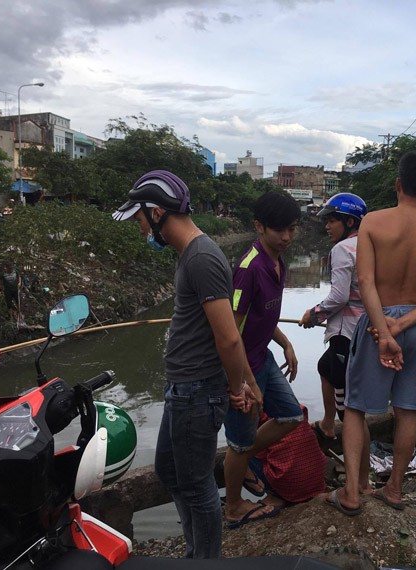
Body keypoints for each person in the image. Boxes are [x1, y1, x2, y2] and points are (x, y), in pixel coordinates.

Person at [112, 170, 258, 559]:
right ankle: (196, 549)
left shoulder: (202, 258)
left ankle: (206, 560)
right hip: (183, 388)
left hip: (197, 390)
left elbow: (228, 336)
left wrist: (235, 387)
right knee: (169, 470)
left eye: (141, 218)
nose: (140, 227)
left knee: (196, 485)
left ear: (158, 212)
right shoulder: (190, 255)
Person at [326, 150, 416, 515]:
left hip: (376, 324)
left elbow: (365, 280)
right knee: (408, 411)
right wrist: (401, 325)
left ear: (397, 184)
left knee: (354, 408)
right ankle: (395, 490)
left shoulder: (373, 222)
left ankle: (352, 493)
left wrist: (384, 330)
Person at [223, 191, 304, 529]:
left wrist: (286, 342)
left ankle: (240, 461)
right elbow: (232, 329)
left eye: (292, 229)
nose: (286, 237)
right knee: (240, 440)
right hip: (241, 366)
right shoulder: (248, 269)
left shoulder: (278, 263)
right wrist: (244, 382)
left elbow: (264, 317)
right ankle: (232, 506)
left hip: (264, 357)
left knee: (290, 415)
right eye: (278, 230)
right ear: (259, 226)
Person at [299, 193, 367, 442]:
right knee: (324, 366)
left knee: (348, 410)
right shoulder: (371, 244)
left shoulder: (342, 249)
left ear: (349, 222)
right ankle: (327, 423)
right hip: (366, 328)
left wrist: (313, 315)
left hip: (346, 333)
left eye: (332, 220)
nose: (327, 226)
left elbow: (338, 297)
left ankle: (358, 470)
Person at [245, 406, 327, 510]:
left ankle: (273, 497)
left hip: (290, 485)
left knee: (238, 455)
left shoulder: (257, 418)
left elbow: (258, 453)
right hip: (317, 482)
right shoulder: (297, 407)